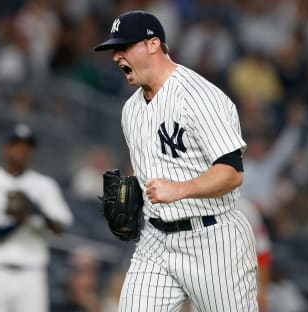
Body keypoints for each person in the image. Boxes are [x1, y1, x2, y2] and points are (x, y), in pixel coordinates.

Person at [94, 10, 258, 312]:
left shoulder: (200, 96)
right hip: (156, 239)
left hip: (213, 240)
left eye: (124, 47)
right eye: (114, 50)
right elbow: (154, 171)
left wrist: (181, 189)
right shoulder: (130, 110)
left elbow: (232, 172)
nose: (117, 57)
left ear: (153, 44)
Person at [0, 124, 74, 312]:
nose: (21, 151)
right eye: (16, 145)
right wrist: (19, 220)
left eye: (27, 146)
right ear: (6, 147)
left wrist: (33, 210)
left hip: (31, 274)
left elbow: (60, 227)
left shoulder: (45, 185)